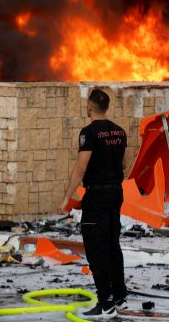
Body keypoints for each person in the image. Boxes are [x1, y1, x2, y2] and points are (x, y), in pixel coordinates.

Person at [60, 89, 128, 319]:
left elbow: (81, 168)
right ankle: (119, 296)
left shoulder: (88, 133)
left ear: (90, 106)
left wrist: (67, 196)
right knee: (112, 244)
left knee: (97, 250)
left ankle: (106, 303)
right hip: (115, 192)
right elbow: (124, 164)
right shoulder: (119, 132)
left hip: (97, 196)